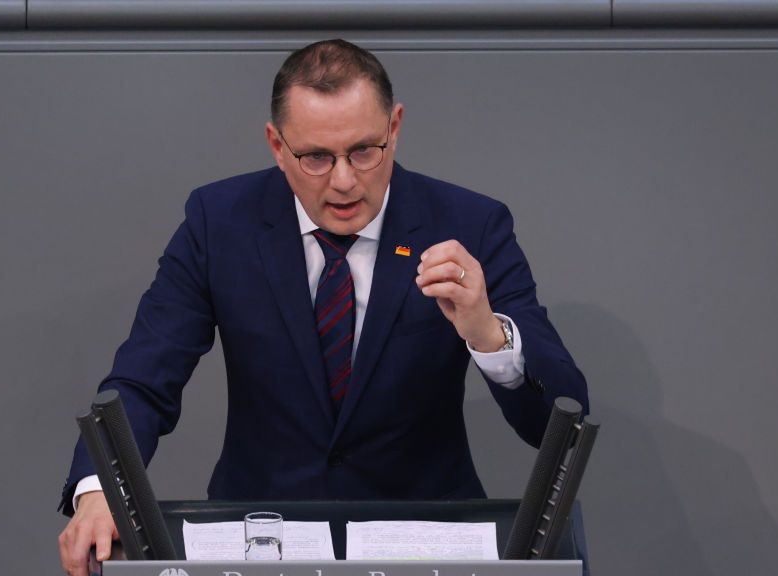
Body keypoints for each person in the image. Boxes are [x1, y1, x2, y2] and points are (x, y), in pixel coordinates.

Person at [58, 39, 588, 575]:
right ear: (276, 145)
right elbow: (145, 378)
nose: (343, 180)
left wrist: (488, 334)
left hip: (423, 540)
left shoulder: (470, 224)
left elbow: (559, 420)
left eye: (364, 151)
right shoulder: (219, 224)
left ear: (395, 127)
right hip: (262, 541)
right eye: (315, 157)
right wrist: (101, 491)